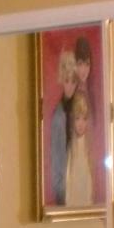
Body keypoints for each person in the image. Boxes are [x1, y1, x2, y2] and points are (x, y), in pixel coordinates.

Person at [49, 50, 78, 206]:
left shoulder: (80, 108)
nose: (70, 86)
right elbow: (56, 157)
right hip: (64, 189)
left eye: (73, 81)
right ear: (62, 81)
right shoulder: (59, 116)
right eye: (67, 81)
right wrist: (61, 192)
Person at [65, 90, 94, 206]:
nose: (81, 123)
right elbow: (68, 178)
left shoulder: (88, 146)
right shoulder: (71, 147)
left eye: (84, 118)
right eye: (77, 118)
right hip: (72, 202)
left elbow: (89, 178)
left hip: (86, 201)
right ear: (72, 120)